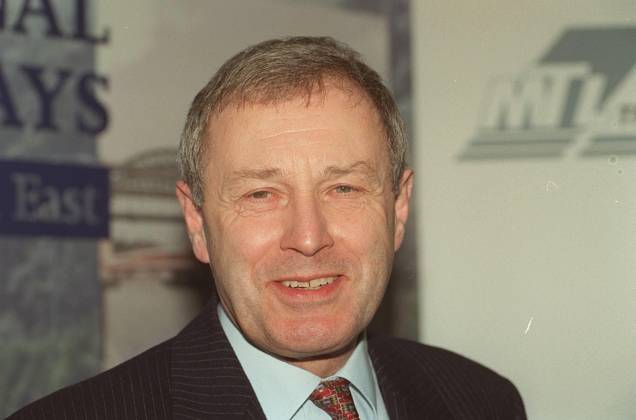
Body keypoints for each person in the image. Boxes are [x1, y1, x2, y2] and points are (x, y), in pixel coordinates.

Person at [8, 36, 526, 420]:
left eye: (344, 188)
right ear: (196, 222)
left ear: (398, 208)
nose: (308, 237)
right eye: (260, 194)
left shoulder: (481, 401)